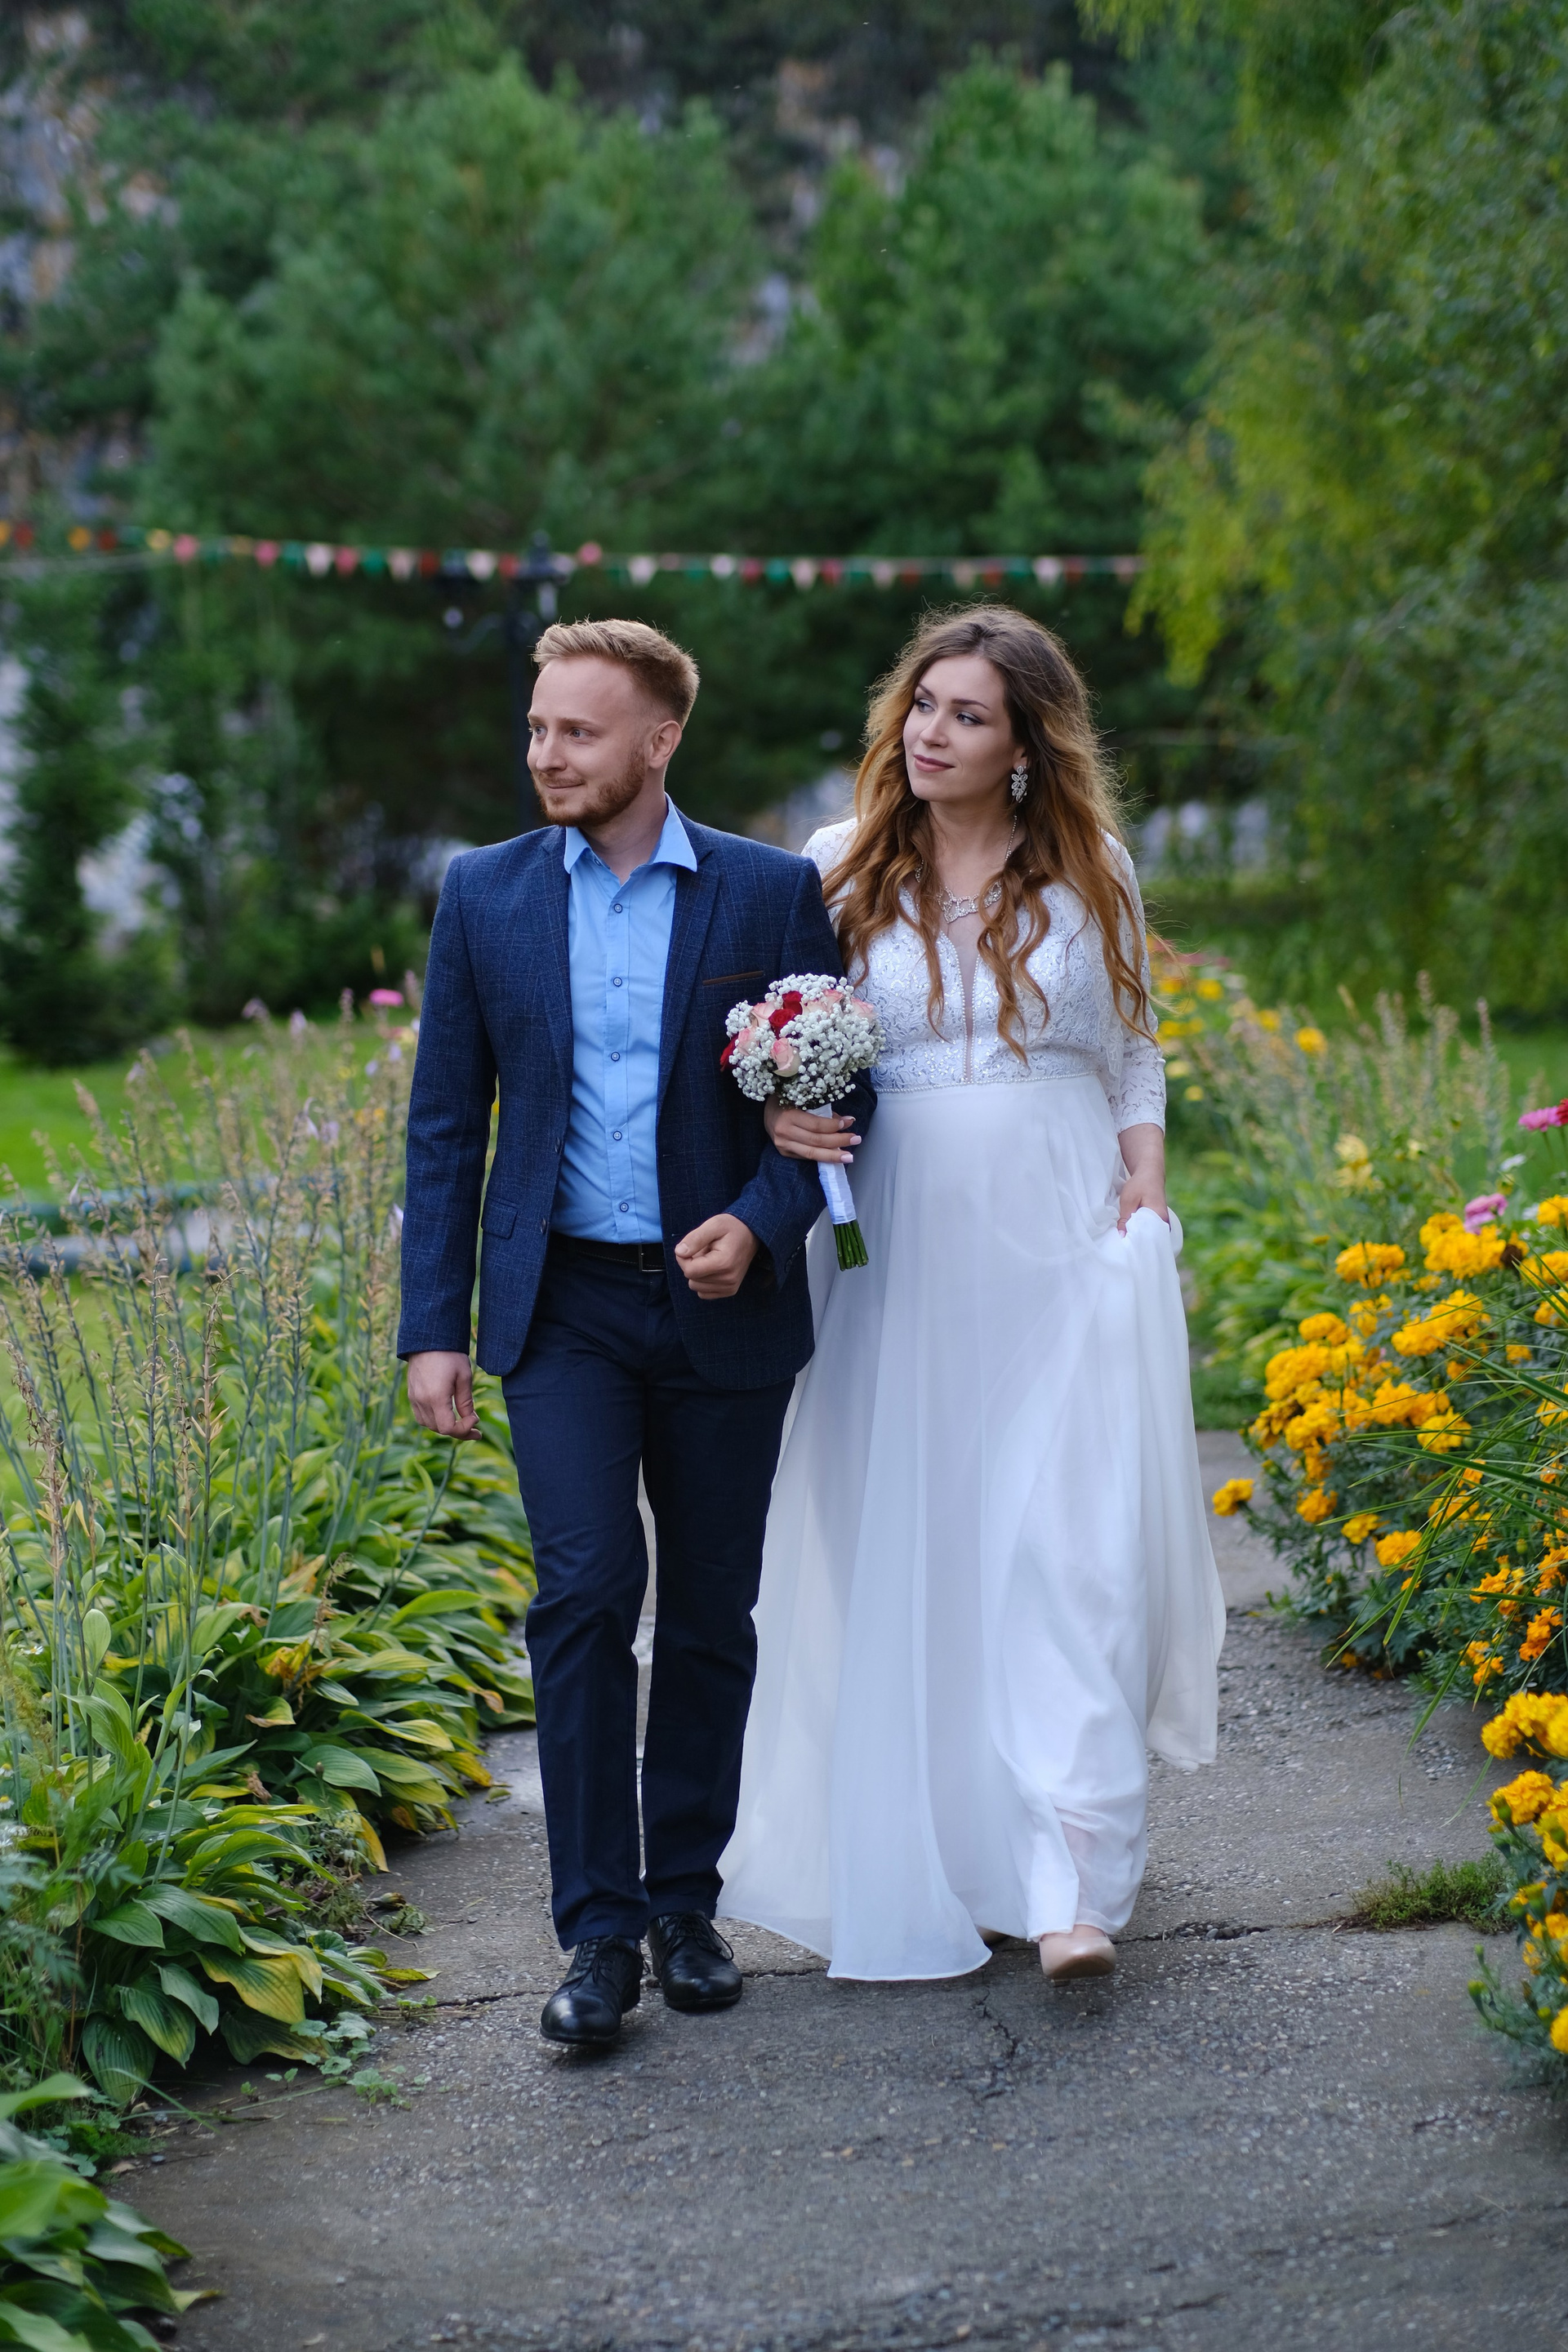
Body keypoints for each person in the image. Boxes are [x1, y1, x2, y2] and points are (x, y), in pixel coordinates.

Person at [718, 605, 1224, 1984]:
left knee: (1065, 1550)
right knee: (917, 1544)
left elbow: (1133, 1052)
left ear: (1025, 746)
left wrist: (1144, 1174)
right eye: (923, 707)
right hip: (893, 1247)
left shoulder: (1090, 869)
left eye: (968, 716)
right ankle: (953, 1855)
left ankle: (1071, 1882)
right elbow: (784, 1047)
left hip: (1057, 1232)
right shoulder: (835, 867)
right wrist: (781, 1115)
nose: (931, 735)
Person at [398, 617, 875, 2047]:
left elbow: (838, 1096)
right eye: (538, 728)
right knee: (588, 1594)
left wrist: (763, 1219)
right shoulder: (482, 896)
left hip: (723, 1306)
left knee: (714, 1612)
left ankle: (686, 1906)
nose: (546, 755)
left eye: (578, 732)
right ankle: (598, 1935)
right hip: (563, 1311)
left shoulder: (768, 892)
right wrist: (433, 1327)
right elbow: (446, 1125)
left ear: (659, 742)